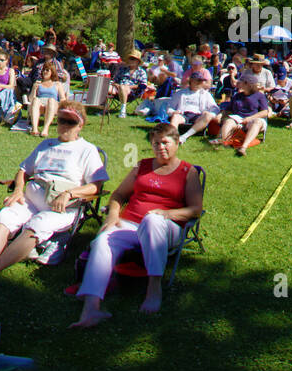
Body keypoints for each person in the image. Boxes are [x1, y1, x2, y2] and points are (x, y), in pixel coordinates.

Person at [0, 102, 109, 295]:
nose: (64, 125)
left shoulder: (86, 150)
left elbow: (96, 186)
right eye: (61, 120)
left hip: (62, 207)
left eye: (70, 122)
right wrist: (18, 190)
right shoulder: (46, 145)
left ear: (80, 125)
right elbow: (23, 170)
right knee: (3, 219)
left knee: (36, 226)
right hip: (30, 199)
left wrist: (69, 193)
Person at [72, 123, 204, 328]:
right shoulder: (141, 166)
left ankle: (153, 287)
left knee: (152, 220)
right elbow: (118, 194)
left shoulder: (187, 172)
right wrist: (113, 215)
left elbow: (195, 209)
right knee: (104, 239)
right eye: (156, 143)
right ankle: (91, 307)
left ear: (177, 143)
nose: (160, 147)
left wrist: (167, 214)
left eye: (165, 142)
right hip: (130, 224)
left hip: (167, 227)